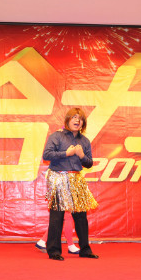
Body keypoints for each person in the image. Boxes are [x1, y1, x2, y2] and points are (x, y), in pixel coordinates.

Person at [42, 108, 98, 261]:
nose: (77, 120)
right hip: (59, 178)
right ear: (67, 120)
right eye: (74, 117)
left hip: (76, 180)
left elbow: (89, 163)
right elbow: (46, 155)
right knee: (57, 216)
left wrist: (82, 156)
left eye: (80, 118)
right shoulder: (57, 136)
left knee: (81, 217)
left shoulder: (84, 141)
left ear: (83, 123)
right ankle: (54, 251)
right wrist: (66, 153)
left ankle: (85, 249)